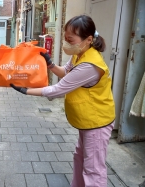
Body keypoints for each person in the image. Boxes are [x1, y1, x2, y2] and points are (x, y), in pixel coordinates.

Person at [10, 15, 115, 187]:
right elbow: (67, 73)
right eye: (65, 38)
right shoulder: (80, 54)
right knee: (80, 158)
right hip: (87, 121)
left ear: (88, 39)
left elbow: (58, 89)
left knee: (93, 168)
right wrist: (50, 64)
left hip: (97, 122)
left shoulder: (90, 65)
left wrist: (25, 90)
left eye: (70, 39)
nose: (66, 43)